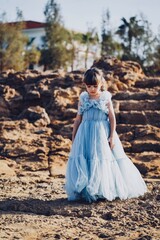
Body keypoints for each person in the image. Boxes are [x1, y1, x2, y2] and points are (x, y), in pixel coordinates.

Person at [65, 67, 147, 202]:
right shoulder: (83, 99)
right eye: (89, 86)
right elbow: (78, 119)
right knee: (86, 159)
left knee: (101, 160)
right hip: (85, 134)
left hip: (101, 134)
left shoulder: (105, 98)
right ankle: (86, 190)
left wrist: (112, 136)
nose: (91, 89)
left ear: (101, 84)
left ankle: (102, 190)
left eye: (95, 86)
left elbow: (112, 118)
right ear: (85, 85)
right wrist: (74, 137)